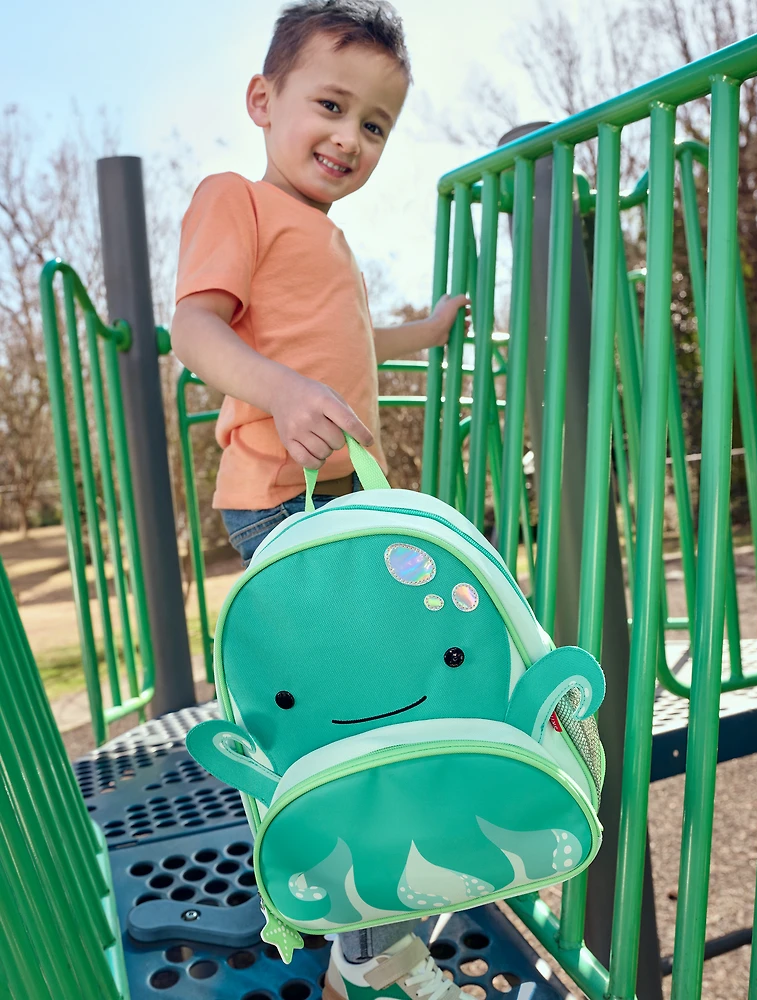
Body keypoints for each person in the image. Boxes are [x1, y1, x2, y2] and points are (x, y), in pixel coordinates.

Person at [171, 3, 475, 998]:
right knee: (354, 721)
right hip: (282, 500)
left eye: (375, 124)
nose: (350, 138)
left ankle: (371, 922)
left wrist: (418, 335)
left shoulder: (325, 238)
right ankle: (364, 945)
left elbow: (341, 333)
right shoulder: (237, 200)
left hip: (339, 495)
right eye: (331, 106)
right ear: (263, 102)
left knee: (385, 707)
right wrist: (282, 391)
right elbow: (197, 331)